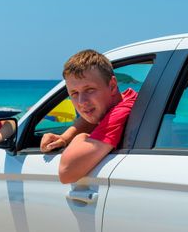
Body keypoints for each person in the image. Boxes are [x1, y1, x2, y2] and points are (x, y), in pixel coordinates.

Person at [40, 49, 138, 183]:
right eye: (74, 93)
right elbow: (91, 118)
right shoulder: (126, 98)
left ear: (113, 86)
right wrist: (64, 138)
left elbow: (67, 172)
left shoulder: (120, 112)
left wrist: (82, 137)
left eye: (90, 90)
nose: (81, 102)